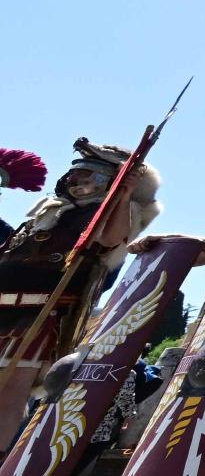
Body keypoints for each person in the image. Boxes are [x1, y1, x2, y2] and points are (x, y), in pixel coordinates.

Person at [1, 140, 160, 428]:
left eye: (88, 176)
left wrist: (122, 196)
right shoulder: (52, 211)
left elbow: (111, 240)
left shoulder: (106, 214)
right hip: (5, 306)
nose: (77, 181)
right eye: (76, 175)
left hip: (37, 316)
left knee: (10, 394)